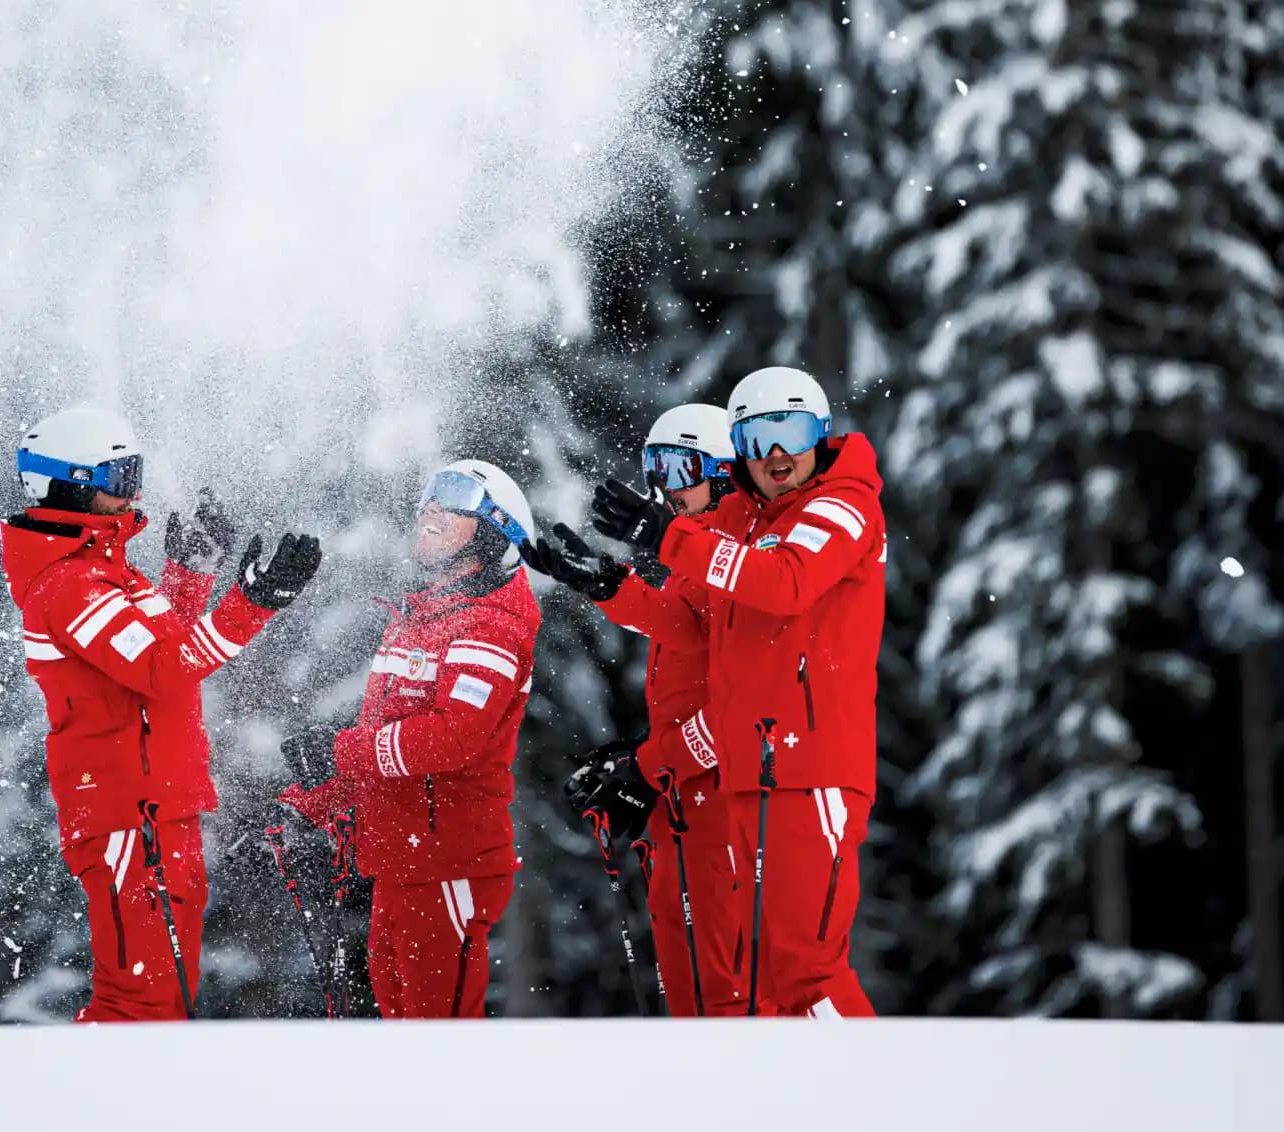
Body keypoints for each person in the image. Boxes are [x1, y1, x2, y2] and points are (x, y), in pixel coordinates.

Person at [532, 367, 884, 1018]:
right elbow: (692, 623)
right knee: (768, 983)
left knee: (799, 974)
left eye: (794, 431)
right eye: (759, 439)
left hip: (807, 766)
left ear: (823, 433)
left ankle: (877, 1101)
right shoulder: (744, 533)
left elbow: (789, 582)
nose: (778, 454)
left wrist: (648, 766)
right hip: (759, 771)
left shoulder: (840, 502)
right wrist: (608, 585)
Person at [0, 403, 322, 1021]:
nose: (135, 493)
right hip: (128, 809)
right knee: (140, 1000)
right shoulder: (68, 585)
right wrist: (252, 604)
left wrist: (189, 576)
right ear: (71, 485)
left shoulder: (107, 571)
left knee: (166, 997)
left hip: (160, 804)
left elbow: (157, 649)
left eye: (134, 473)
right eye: (118, 480)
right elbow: (162, 671)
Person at [280, 459, 543, 1019]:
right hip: (400, 863)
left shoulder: (491, 623)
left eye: (455, 501)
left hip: (449, 861)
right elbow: (384, 750)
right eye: (429, 498)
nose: (430, 510)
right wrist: (311, 810)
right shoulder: (417, 621)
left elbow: (452, 739)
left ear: (495, 530)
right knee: (404, 1035)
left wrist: (337, 749)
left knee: (437, 1037)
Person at [541, 404, 748, 1017]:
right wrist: (608, 585)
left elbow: (738, 710)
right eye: (653, 468)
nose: (664, 487)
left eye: (681, 468)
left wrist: (648, 765)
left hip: (721, 803)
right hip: (681, 800)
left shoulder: (737, 559)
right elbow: (683, 632)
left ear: (726, 474)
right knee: (684, 988)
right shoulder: (697, 563)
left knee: (723, 987)